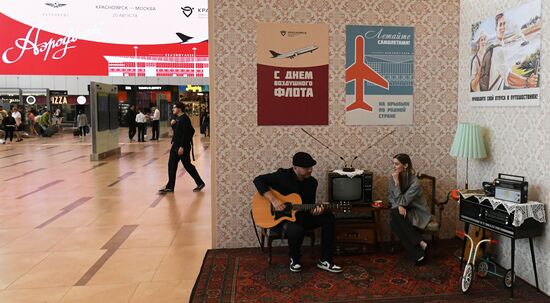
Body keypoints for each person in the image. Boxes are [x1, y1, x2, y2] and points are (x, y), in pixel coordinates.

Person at [253, 152, 342, 273]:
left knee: (329, 217)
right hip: (280, 220)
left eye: (311, 167)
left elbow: (309, 206)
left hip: (302, 217)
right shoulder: (282, 176)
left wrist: (315, 212)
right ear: (295, 167)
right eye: (307, 168)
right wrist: (274, 200)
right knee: (295, 229)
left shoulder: (312, 183)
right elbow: (258, 180)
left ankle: (326, 260)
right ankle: (295, 260)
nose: (310, 170)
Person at [388, 153, 431, 265]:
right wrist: (399, 206)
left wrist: (397, 183)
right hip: (404, 209)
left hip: (417, 211)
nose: (394, 166)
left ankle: (419, 252)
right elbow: (391, 197)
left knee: (394, 219)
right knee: (395, 217)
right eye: (393, 163)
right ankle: (420, 246)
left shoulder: (415, 182)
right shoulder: (393, 177)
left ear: (405, 165)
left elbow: (403, 201)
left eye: (396, 164)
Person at [482, 13, 538, 91]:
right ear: (496, 28)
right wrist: (527, 82)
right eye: (500, 24)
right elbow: (508, 77)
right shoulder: (498, 50)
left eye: (504, 24)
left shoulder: (495, 47)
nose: (503, 27)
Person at [159, 102, 205, 194]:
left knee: (187, 165)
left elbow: (188, 133)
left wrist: (182, 146)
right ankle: (170, 187)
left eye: (174, 108)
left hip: (182, 146)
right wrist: (173, 124)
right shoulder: (177, 118)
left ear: (179, 109)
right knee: (171, 165)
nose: (173, 109)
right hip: (175, 145)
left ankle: (200, 182)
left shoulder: (185, 119)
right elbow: (178, 132)